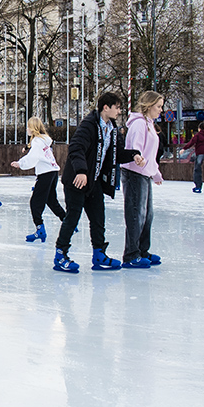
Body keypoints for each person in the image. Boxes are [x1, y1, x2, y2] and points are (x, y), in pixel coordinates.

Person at [53, 91, 144, 273]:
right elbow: (76, 148)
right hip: (77, 180)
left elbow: (115, 153)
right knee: (73, 217)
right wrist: (81, 171)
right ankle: (60, 254)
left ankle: (99, 254)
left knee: (98, 218)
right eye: (117, 107)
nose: (119, 111)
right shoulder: (89, 125)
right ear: (106, 107)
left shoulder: (111, 128)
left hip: (93, 182)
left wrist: (133, 154)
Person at [120, 91, 165, 269]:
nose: (161, 110)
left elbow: (151, 153)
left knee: (147, 214)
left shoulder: (149, 124)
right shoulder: (139, 124)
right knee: (136, 214)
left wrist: (155, 173)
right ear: (148, 106)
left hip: (144, 173)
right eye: (158, 106)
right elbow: (135, 148)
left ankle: (142, 250)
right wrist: (137, 157)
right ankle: (131, 254)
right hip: (134, 173)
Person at [11, 116, 65, 243]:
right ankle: (68, 222)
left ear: (33, 128)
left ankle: (40, 230)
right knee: (51, 200)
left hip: (46, 174)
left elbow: (32, 157)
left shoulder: (37, 141)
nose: (27, 129)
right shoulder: (43, 140)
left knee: (35, 203)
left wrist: (20, 163)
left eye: (28, 126)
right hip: (52, 172)